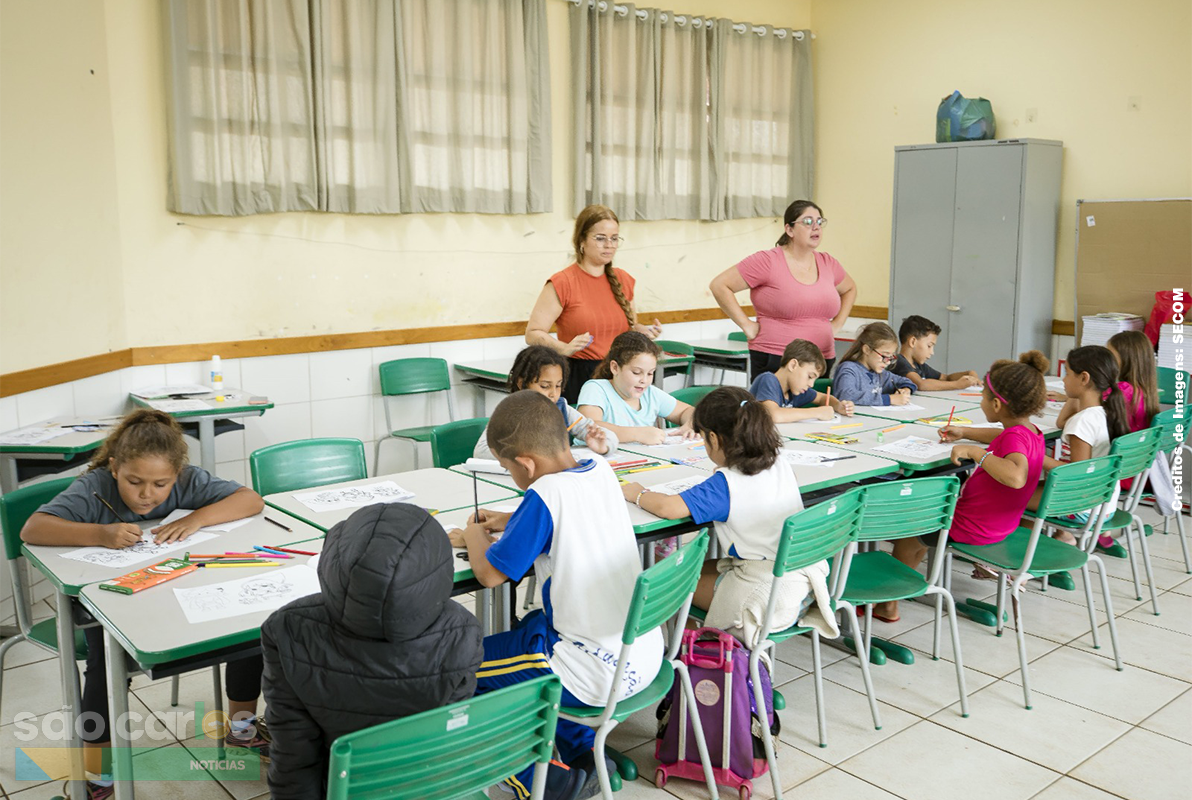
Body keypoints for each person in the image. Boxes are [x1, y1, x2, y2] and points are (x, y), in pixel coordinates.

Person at [20, 409, 266, 800]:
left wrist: (199, 518)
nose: (147, 494)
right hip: (105, 604)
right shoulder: (94, 487)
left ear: (177, 475)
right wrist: (99, 533)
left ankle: (241, 731)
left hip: (173, 596)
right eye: (134, 482)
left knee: (248, 629)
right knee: (104, 664)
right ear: (115, 467)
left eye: (160, 484)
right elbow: (33, 529)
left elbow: (250, 499)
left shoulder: (188, 480)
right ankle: (97, 777)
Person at [451, 391, 664, 799]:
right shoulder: (598, 466)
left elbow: (491, 573)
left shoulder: (545, 493)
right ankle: (580, 750)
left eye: (507, 468)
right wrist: (508, 519)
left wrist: (477, 534)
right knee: (530, 629)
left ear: (526, 463)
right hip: (640, 655)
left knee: (458, 672)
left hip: (591, 671)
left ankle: (543, 782)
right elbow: (569, 514)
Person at [260, 503, 483, 800]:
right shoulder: (463, 630)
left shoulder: (287, 626)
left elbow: (292, 742)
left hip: (340, 786)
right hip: (425, 787)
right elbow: (445, 735)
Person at [620, 388, 839, 646]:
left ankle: (692, 657)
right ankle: (695, 652)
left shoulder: (726, 485)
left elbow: (670, 508)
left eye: (703, 439)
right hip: (803, 585)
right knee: (690, 571)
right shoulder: (777, 461)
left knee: (668, 583)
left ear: (714, 438)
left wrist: (637, 493)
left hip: (766, 597)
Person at [870, 352, 1049, 621]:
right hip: (1001, 523)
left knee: (914, 530)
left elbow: (1016, 476)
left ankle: (888, 603)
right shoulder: (1030, 432)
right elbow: (1003, 435)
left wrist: (978, 454)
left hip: (973, 525)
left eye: (984, 396)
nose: (981, 400)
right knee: (927, 525)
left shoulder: (1014, 440)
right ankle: (907, 583)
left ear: (998, 405)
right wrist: (965, 433)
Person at [525, 204, 663, 404]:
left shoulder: (624, 280)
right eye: (600, 238)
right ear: (581, 241)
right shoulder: (563, 282)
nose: (609, 245)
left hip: (619, 373)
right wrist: (562, 348)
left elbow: (628, 327)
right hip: (579, 374)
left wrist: (642, 331)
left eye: (614, 238)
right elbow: (533, 333)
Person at [709, 200, 857, 382]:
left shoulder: (828, 263)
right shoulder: (767, 261)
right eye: (808, 222)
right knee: (774, 409)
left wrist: (837, 324)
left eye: (819, 222)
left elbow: (850, 288)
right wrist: (747, 325)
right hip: (776, 357)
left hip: (821, 358)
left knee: (816, 409)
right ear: (789, 229)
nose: (816, 227)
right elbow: (720, 285)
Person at [1033, 345, 1130, 541]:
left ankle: (1025, 553)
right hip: (1105, 505)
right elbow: (1061, 423)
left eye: (1067, 373)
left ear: (1084, 378)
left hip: (1082, 508)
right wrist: (1074, 396)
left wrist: (1034, 454)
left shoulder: (1083, 421)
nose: (1063, 379)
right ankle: (1061, 537)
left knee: (1011, 492)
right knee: (1029, 486)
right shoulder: (1106, 410)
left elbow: (1075, 475)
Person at [473, 346, 615, 459]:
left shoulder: (561, 408)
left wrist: (604, 446)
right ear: (522, 384)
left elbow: (608, 436)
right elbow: (481, 451)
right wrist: (525, 453)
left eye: (558, 385)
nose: (553, 394)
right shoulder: (508, 412)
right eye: (545, 386)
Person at [577, 332, 696, 444]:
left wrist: (690, 423)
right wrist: (637, 434)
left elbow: (688, 411)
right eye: (636, 372)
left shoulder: (650, 394)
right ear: (615, 368)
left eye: (650, 373)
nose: (644, 380)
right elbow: (590, 427)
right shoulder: (595, 389)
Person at [748, 338, 855, 423]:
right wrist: (816, 412)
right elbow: (774, 415)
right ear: (793, 365)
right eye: (809, 376)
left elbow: (822, 397)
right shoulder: (768, 380)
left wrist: (838, 406)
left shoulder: (795, 390)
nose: (811, 384)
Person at [832, 322, 917, 406]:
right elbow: (846, 396)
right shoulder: (849, 369)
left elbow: (906, 381)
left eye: (891, 357)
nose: (887, 361)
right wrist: (889, 399)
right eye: (884, 355)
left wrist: (906, 389)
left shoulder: (880, 374)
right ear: (867, 350)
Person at [891, 315, 980, 391]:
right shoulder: (899, 362)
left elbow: (945, 378)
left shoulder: (918, 365)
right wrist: (957, 384)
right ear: (913, 342)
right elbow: (922, 384)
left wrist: (968, 374)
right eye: (929, 346)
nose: (932, 352)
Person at [1106, 330, 1160, 433]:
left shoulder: (1123, 390)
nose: (1107, 360)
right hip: (1139, 447)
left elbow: (1088, 401)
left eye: (1110, 356)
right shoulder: (1147, 390)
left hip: (1117, 447)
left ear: (1127, 359)